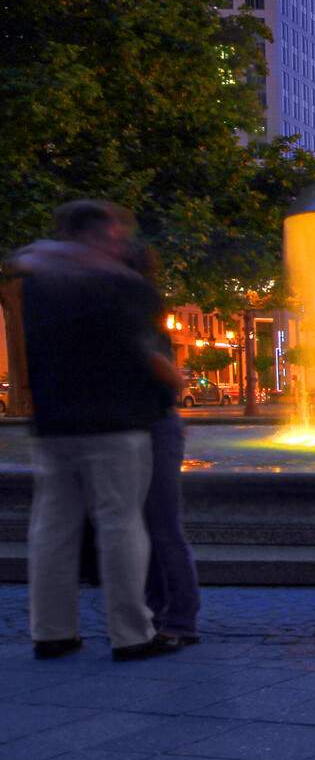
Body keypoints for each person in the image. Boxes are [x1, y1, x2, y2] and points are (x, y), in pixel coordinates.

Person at [12, 201, 185, 662]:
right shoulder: (123, 284)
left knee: (51, 527)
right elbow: (140, 352)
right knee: (120, 523)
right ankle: (131, 634)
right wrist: (172, 382)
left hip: (52, 422)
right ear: (96, 235)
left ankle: (51, 632)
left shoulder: (36, 282)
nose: (120, 242)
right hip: (116, 421)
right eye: (113, 234)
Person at [125, 244, 199, 645]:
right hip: (134, 428)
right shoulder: (135, 315)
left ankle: (179, 620)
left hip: (153, 427)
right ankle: (157, 614)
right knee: (149, 527)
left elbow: (170, 378)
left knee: (162, 527)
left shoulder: (139, 318)